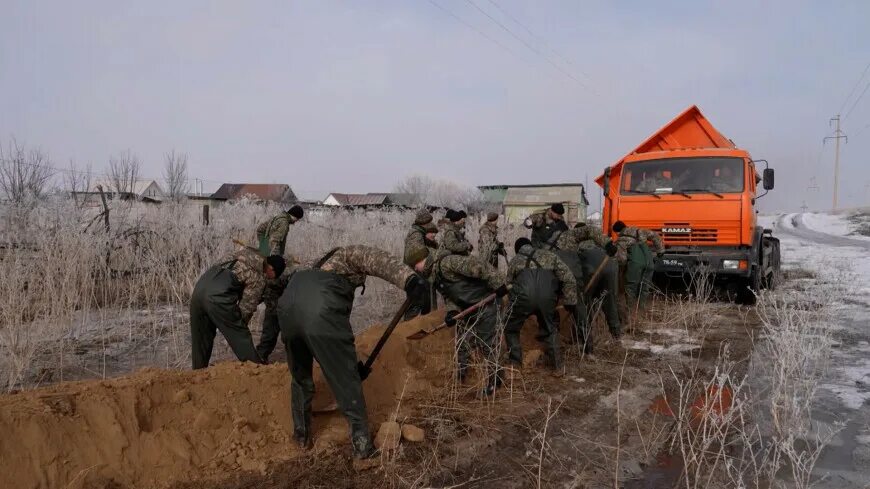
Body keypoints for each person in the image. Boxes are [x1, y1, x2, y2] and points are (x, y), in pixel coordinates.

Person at [277, 245, 427, 458]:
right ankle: (362, 447)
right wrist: (409, 279)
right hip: (319, 309)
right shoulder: (348, 254)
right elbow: (378, 258)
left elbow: (337, 337)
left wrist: (353, 361)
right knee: (346, 381)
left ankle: (301, 437)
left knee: (300, 377)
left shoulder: (317, 266)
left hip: (287, 310)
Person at [423, 247, 509, 396]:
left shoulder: (447, 263)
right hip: (468, 308)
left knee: (487, 343)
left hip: (486, 303)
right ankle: (461, 375)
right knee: (462, 341)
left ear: (427, 260)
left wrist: (498, 284)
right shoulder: (435, 276)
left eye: (418, 262)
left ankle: (495, 381)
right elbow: (449, 297)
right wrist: (452, 311)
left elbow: (479, 265)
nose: (416, 266)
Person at [190, 247, 286, 369]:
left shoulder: (242, 253)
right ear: (271, 269)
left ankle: (197, 375)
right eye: (273, 276)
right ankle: (257, 371)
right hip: (218, 296)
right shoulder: (259, 276)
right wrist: (237, 327)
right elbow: (246, 309)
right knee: (242, 335)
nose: (270, 279)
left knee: (201, 338)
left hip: (199, 289)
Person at [504, 238, 577, 370]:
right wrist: (570, 300)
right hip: (548, 298)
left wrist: (514, 303)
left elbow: (508, 285)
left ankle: (515, 364)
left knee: (511, 328)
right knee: (550, 328)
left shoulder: (515, 260)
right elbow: (568, 277)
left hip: (523, 298)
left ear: (517, 250)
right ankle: (558, 367)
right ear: (531, 246)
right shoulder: (549, 255)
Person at [253, 205, 304, 362]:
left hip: (267, 264)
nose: (296, 222)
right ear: (295, 217)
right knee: (273, 319)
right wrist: (275, 262)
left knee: (273, 317)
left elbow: (260, 229)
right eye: (297, 219)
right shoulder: (284, 223)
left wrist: (263, 250)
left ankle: (262, 354)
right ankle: (262, 355)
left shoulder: (277, 217)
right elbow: (275, 241)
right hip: (274, 271)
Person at [575, 246, 622, 354]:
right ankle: (616, 335)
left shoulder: (578, 247)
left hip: (591, 268)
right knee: (610, 302)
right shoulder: (600, 245)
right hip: (610, 266)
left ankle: (584, 337)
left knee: (584, 302)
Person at [613, 220, 665, 311]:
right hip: (649, 263)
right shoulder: (640, 231)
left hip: (635, 264)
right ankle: (642, 309)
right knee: (645, 286)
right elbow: (655, 236)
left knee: (631, 287)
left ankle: (631, 311)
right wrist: (660, 251)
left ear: (618, 231)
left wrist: (622, 269)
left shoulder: (622, 240)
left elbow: (622, 259)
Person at [403, 209, 439, 320]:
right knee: (416, 304)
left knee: (425, 303)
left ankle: (424, 324)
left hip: (421, 277)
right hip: (416, 276)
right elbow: (417, 260)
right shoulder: (416, 234)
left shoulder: (420, 233)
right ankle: (407, 329)